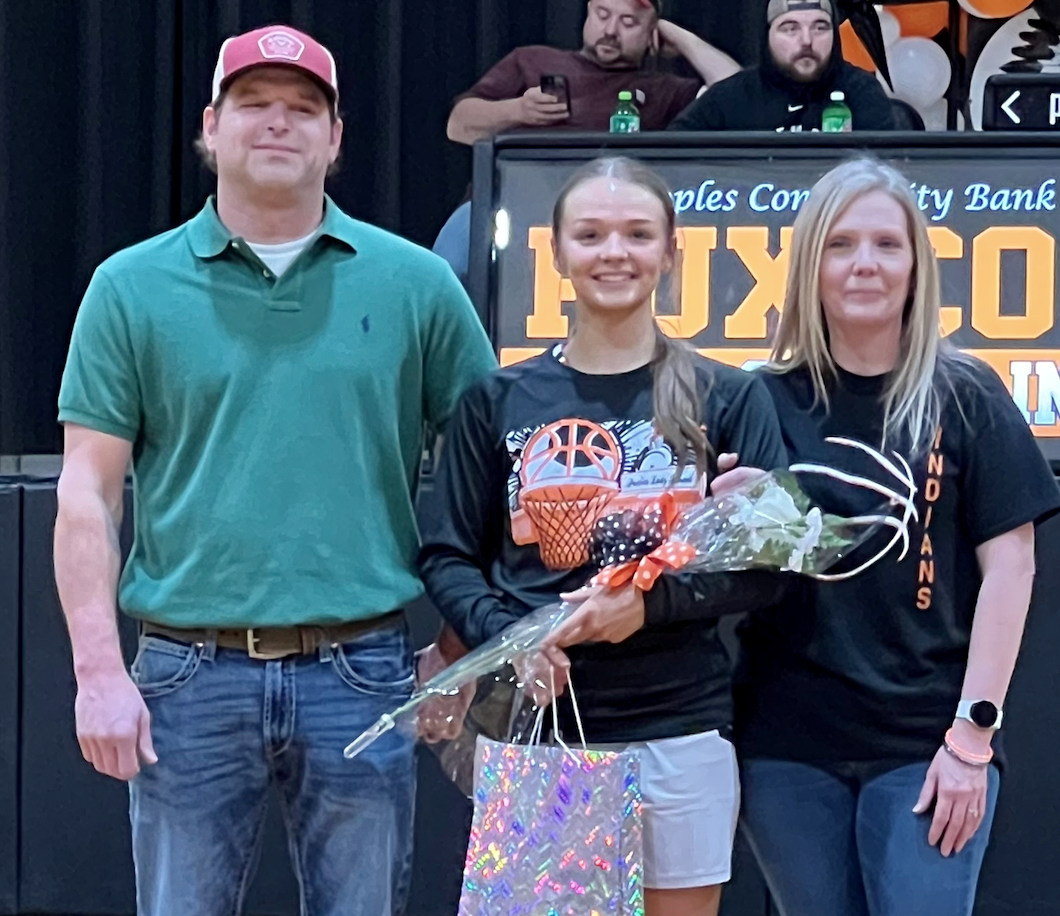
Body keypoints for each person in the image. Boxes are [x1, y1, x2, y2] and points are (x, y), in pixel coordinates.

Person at [53, 25, 496, 916]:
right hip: (185, 675)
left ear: (335, 140)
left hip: (363, 672)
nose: (278, 125)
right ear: (210, 128)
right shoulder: (128, 287)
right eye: (254, 105)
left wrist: (461, 647)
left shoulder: (416, 285)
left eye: (304, 109)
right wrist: (99, 672)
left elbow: (497, 472)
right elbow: (87, 494)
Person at [419, 157, 793, 916]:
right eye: (589, 235)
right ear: (555, 254)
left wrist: (648, 608)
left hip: (679, 728)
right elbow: (448, 553)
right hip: (541, 736)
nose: (613, 252)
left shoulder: (729, 395)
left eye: (635, 233)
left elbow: (770, 569)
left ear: (670, 251)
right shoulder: (498, 398)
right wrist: (515, 633)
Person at [724, 158, 1060, 916]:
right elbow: (727, 572)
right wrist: (732, 520)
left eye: (886, 244)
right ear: (809, 264)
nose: (865, 264)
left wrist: (972, 739)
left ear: (916, 264)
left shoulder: (966, 392)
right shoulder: (754, 397)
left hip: (928, 741)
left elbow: (1012, 570)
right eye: (840, 245)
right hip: (785, 743)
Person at [446, 0, 740, 144]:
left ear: (651, 33)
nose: (610, 30)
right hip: (510, 199)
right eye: (603, 14)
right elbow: (458, 126)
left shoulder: (666, 91)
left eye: (629, 22)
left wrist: (677, 35)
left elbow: (738, 92)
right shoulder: (531, 59)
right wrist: (518, 110)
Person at [669, 0, 895, 132]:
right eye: (790, 28)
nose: (807, 40)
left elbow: (890, 173)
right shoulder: (730, 97)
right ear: (767, 36)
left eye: (820, 28)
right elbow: (669, 157)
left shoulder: (862, 91)